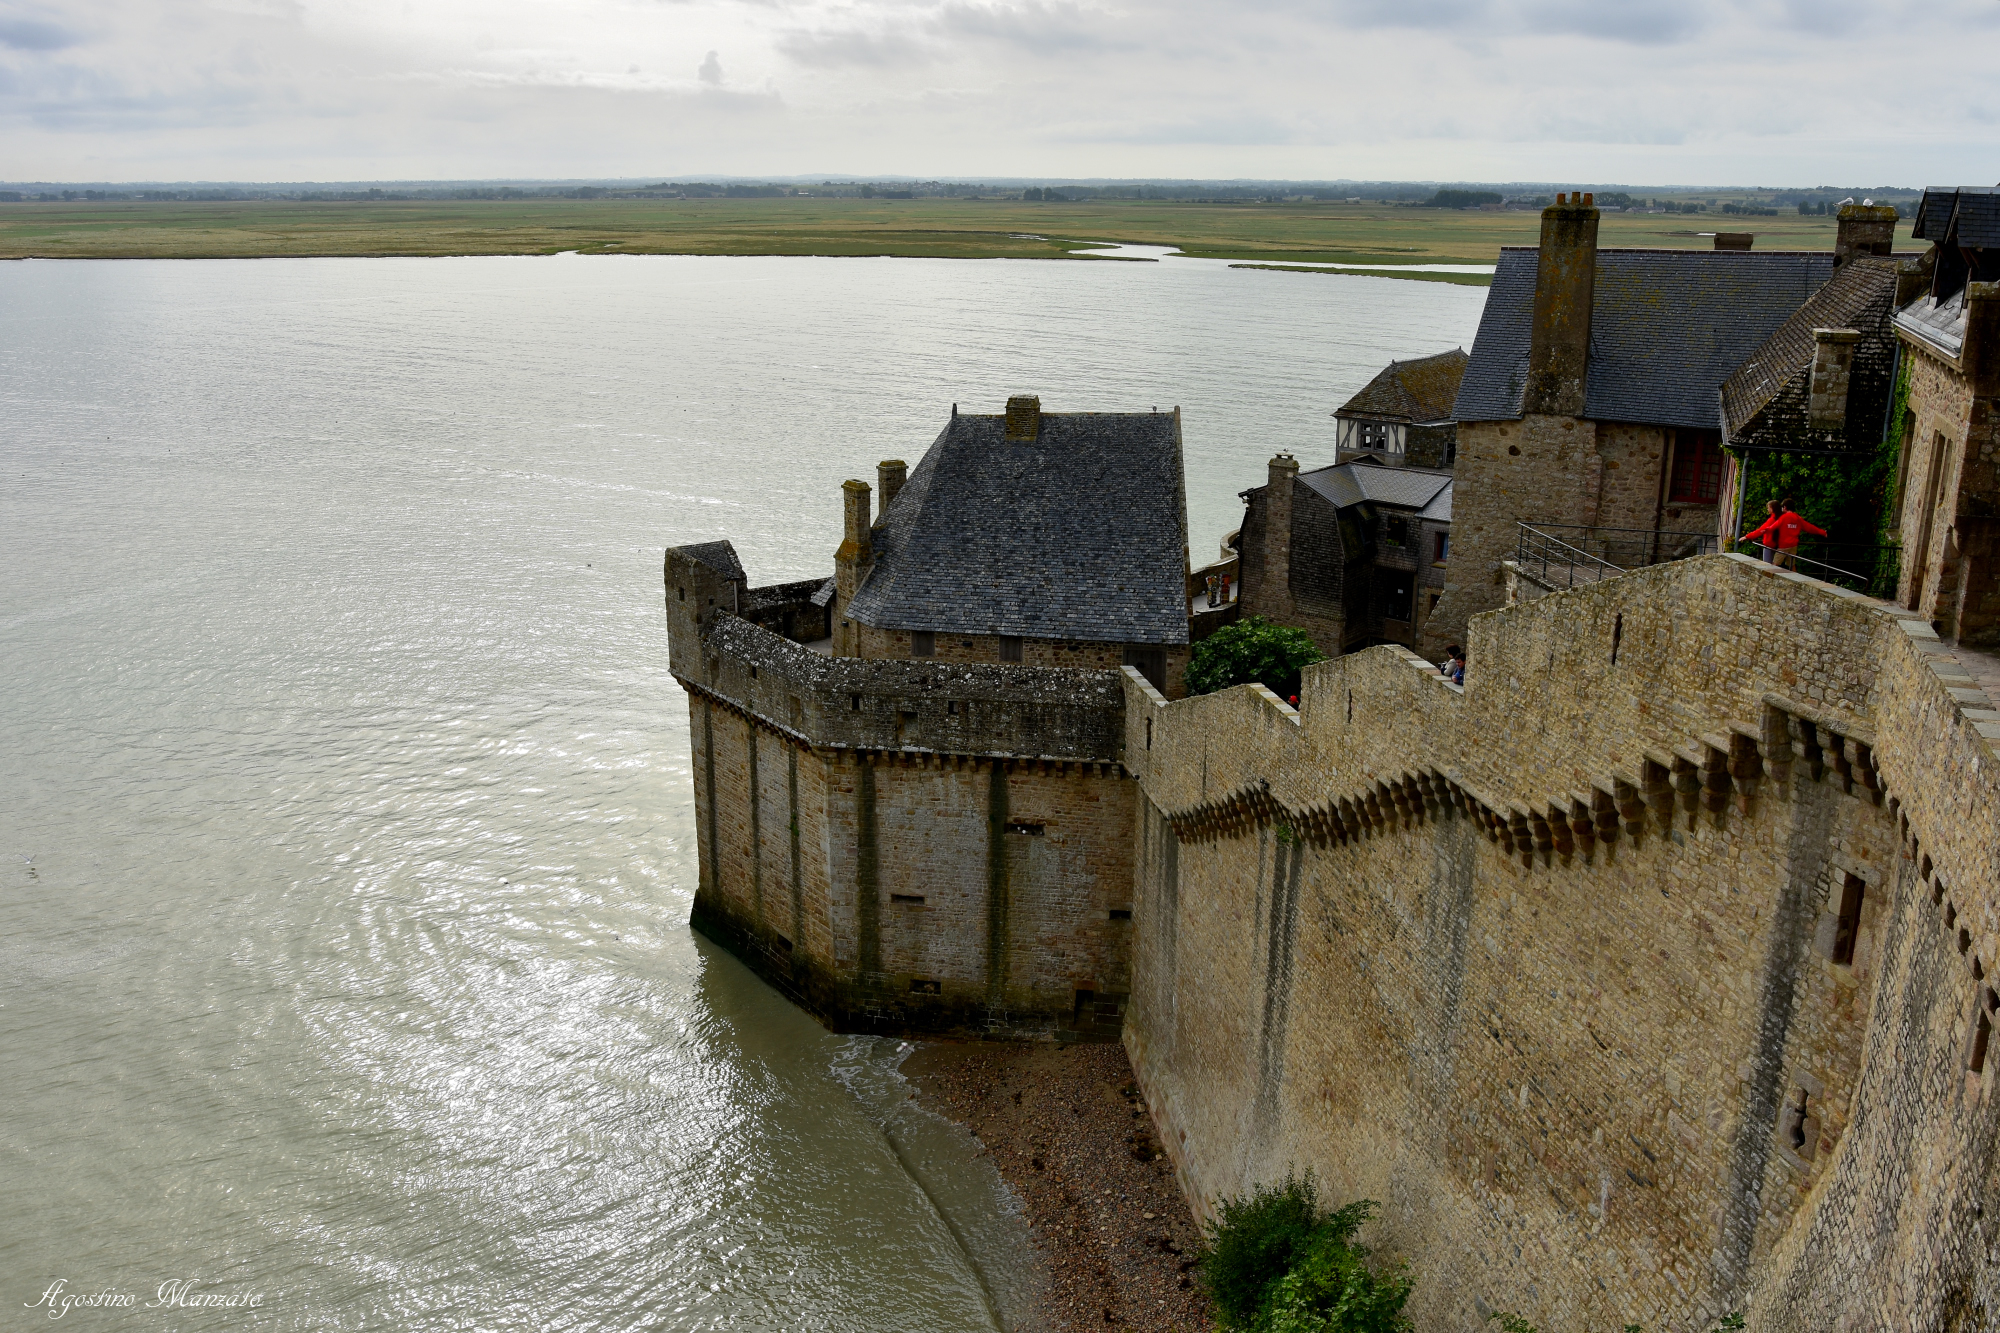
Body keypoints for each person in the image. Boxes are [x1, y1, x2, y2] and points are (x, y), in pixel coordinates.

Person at [1740, 497, 1826, 572]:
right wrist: (1822, 532)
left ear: (1785, 507)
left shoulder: (1783, 518)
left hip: (1783, 546)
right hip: (1793, 545)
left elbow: (1773, 526)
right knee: (1792, 565)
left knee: (1774, 564)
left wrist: (1764, 531)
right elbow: (1809, 527)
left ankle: (1769, 580)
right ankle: (1796, 580)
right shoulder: (1797, 518)